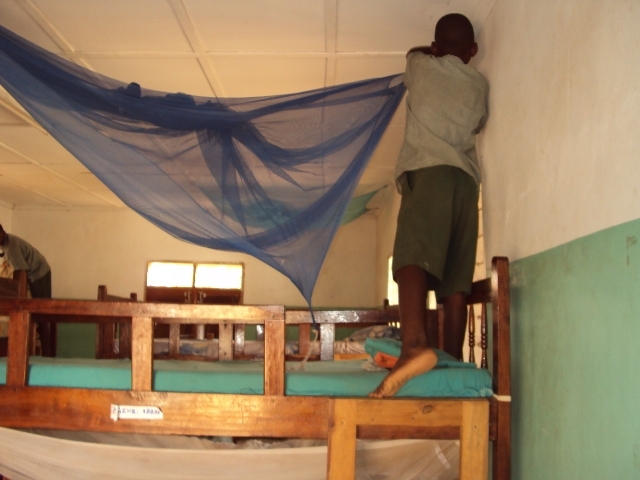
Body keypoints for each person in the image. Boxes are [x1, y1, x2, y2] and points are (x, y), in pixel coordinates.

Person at [371, 13, 489, 398]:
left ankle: (415, 346)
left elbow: (413, 52)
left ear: (436, 48)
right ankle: (450, 360)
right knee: (455, 281)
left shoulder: (421, 68)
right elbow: (477, 124)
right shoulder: (478, 85)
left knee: (410, 260)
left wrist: (434, 53)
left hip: (429, 173)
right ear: (473, 50)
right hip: (466, 183)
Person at [0, 223, 55, 355]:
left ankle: (48, 353)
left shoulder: (11, 246)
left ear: (2, 233)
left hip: (39, 273)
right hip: (34, 272)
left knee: (42, 312)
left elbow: (21, 273)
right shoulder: (6, 243)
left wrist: (18, 294)